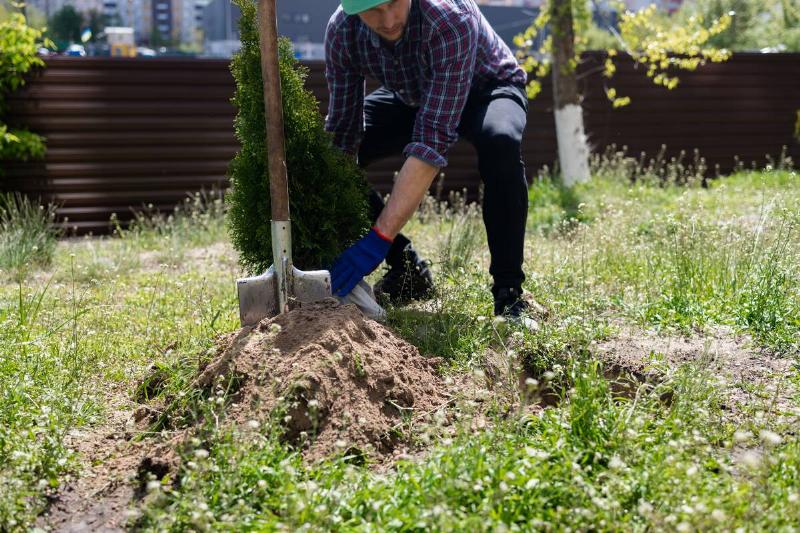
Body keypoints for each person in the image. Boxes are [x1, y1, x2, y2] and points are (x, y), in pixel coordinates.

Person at [325, 0, 534, 324]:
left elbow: (430, 142)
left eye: (394, 3)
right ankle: (408, 271)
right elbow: (343, 131)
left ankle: (509, 295)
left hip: (488, 88)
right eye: (373, 12)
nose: (389, 20)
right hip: (417, 97)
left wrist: (377, 239)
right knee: (328, 158)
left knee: (500, 143)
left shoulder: (449, 18)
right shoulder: (343, 30)